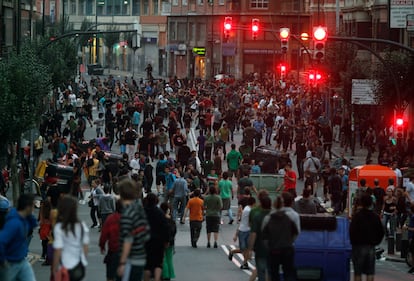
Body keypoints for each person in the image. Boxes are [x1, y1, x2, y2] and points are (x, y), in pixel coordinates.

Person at [262, 192, 300, 281]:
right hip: (287, 247)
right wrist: (290, 241)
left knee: (274, 273)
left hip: (274, 248)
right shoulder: (293, 216)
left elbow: (264, 235)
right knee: (288, 272)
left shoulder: (269, 217)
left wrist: (269, 246)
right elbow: (296, 232)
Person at [117, 179, 150, 281]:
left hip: (130, 261)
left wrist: (122, 262)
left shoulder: (127, 213)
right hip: (141, 256)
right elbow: (147, 234)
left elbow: (128, 239)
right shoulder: (139, 209)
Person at [0, 194, 37, 281]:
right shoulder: (14, 223)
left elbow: (34, 224)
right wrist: (2, 260)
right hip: (10, 263)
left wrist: (30, 216)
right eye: (33, 205)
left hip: (21, 261)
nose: (34, 209)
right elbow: (1, 241)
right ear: (28, 207)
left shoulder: (24, 220)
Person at [52, 196, 89, 281]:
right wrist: (83, 259)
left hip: (65, 265)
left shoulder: (59, 227)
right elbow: (85, 246)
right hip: (79, 266)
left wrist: (54, 269)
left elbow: (58, 249)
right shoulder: (82, 225)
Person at [349, 193, 384, 281]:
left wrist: (353, 242)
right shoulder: (375, 217)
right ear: (371, 203)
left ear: (361, 203)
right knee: (370, 272)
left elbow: (351, 231)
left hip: (358, 246)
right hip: (370, 246)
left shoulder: (357, 216)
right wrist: (375, 242)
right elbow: (381, 231)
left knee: (357, 273)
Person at [143, 193, 169, 281]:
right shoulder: (160, 213)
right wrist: (166, 241)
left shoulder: (142, 212)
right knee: (158, 263)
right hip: (158, 241)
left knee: (147, 264)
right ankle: (157, 279)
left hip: (145, 240)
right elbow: (165, 227)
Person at [248, 194, 272, 281]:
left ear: (261, 204)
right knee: (271, 271)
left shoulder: (257, 217)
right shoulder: (275, 216)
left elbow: (253, 234)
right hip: (274, 248)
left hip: (260, 248)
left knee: (261, 271)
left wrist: (250, 249)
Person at [229, 197, 255, 270]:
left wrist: (236, 234)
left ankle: (243, 262)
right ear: (253, 203)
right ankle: (244, 263)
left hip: (242, 230)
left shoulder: (246, 208)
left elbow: (242, 222)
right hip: (246, 231)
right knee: (245, 249)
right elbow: (250, 223)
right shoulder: (249, 211)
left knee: (244, 249)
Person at [99, 201, 122, 281]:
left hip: (113, 251)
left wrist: (102, 246)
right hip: (128, 252)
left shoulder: (111, 218)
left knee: (110, 276)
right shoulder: (130, 217)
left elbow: (104, 234)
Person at [160, 202, 176, 280]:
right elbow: (174, 231)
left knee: (163, 259)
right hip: (171, 241)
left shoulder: (160, 218)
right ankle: (170, 274)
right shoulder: (171, 220)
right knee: (169, 259)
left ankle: (164, 274)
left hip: (162, 241)